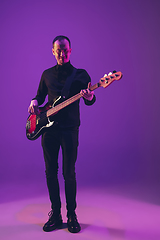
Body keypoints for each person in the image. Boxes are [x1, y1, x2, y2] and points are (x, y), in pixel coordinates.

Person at [28, 35, 96, 233]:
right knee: (50, 172)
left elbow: (90, 101)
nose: (62, 53)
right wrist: (33, 102)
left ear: (70, 51)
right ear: (53, 51)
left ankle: (72, 215)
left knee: (69, 173)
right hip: (48, 130)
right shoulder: (46, 74)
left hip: (69, 130)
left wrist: (90, 95)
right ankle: (56, 214)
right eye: (58, 50)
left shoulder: (81, 74)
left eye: (65, 49)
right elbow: (39, 97)